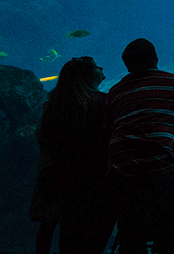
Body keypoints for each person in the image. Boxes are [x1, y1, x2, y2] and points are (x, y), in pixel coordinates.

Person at [106, 39, 174, 254]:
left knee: (130, 235)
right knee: (169, 233)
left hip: (121, 173)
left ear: (126, 65)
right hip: (162, 173)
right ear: (155, 58)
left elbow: (111, 133)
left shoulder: (115, 91)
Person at [30, 56, 114, 254]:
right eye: (95, 66)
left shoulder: (52, 106)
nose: (101, 67)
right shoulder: (104, 103)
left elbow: (45, 141)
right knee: (95, 235)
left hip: (59, 176)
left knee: (62, 231)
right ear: (86, 75)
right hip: (97, 179)